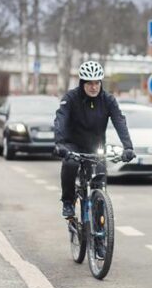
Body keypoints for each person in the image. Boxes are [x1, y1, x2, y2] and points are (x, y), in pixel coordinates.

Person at [53, 60, 136, 218]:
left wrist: (128, 147)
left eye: (97, 83)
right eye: (89, 83)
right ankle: (68, 202)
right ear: (82, 83)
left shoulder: (108, 100)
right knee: (70, 163)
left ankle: (99, 229)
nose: (93, 87)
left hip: (95, 146)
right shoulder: (71, 98)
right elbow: (60, 120)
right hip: (73, 144)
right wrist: (59, 144)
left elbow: (119, 121)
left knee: (99, 183)